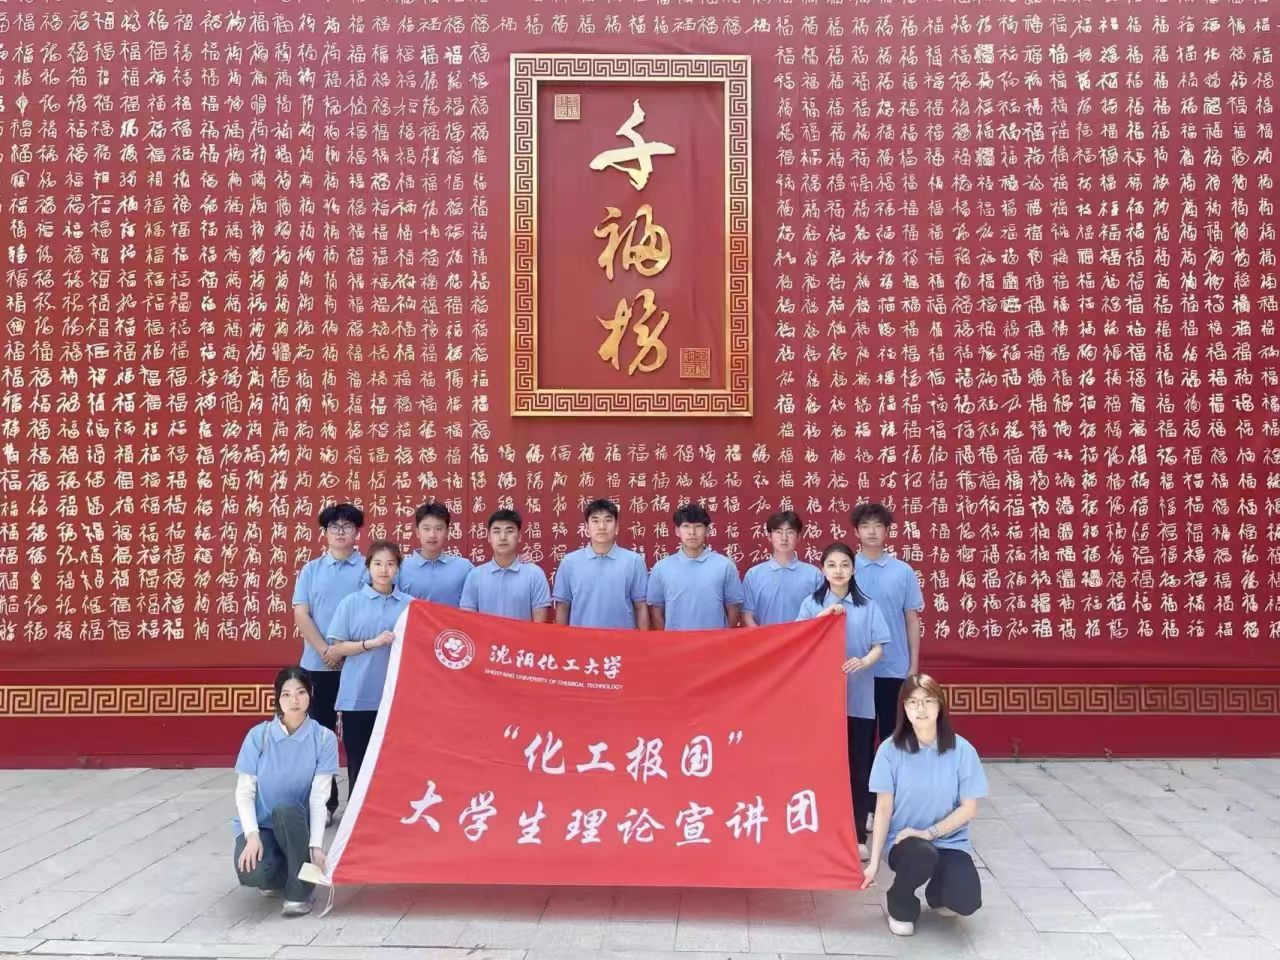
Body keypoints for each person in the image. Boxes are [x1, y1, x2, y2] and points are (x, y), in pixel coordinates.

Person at [863, 674, 988, 936]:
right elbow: (883, 809)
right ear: (904, 707)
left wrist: (929, 833)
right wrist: (873, 864)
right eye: (913, 702)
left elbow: (969, 808)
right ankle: (900, 901)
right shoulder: (889, 750)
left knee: (966, 901)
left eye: (928, 701)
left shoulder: (962, 750)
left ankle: (937, 892)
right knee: (922, 855)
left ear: (940, 705)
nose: (921, 709)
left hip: (949, 841)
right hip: (904, 842)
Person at [795, 542, 890, 859]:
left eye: (845, 564)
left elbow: (879, 646)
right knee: (820, 767)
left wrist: (864, 661)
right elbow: (799, 640)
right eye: (832, 565)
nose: (838, 571)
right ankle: (819, 831)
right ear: (823, 569)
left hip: (859, 698)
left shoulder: (868, 605)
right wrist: (824, 616)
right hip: (820, 701)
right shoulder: (811, 604)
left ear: (853, 569)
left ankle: (857, 835)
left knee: (859, 767)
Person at [233, 666, 339, 918]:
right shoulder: (259, 736)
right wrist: (252, 836)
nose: (294, 701)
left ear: (310, 694)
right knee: (253, 872)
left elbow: (319, 798)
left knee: (286, 809)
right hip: (264, 827)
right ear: (277, 698)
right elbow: (245, 792)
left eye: (301, 692)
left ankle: (301, 890)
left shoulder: (324, 738)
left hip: (296, 825)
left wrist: (315, 846)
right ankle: (287, 871)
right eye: (286, 694)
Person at [291, 502, 366, 820]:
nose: (341, 532)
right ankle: (326, 802)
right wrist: (325, 650)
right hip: (317, 665)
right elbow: (301, 614)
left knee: (358, 737)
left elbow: (369, 613)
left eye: (347, 526)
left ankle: (359, 805)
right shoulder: (311, 570)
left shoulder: (368, 569)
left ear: (357, 532)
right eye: (334, 527)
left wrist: (343, 651)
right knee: (320, 737)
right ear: (324, 532)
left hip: (358, 666)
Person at [325, 541, 412, 796]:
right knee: (359, 762)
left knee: (395, 765)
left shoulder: (411, 605)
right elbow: (337, 648)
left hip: (396, 699)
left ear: (398, 568)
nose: (384, 570)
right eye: (378, 564)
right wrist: (370, 643)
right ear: (368, 567)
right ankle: (356, 815)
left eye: (390, 564)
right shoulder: (351, 603)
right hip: (358, 698)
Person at [850, 503, 925, 743]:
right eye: (865, 526)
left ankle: (890, 770)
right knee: (858, 737)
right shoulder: (845, 569)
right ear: (856, 532)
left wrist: (913, 666)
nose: (872, 531)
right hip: (854, 666)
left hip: (893, 665)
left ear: (888, 531)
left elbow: (911, 619)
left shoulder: (903, 571)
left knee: (891, 736)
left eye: (878, 526)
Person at [553, 498, 650, 629]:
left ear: (616, 527)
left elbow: (641, 606)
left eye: (608, 520)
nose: (602, 526)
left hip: (622, 639)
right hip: (581, 640)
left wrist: (643, 640)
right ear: (586, 527)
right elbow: (563, 607)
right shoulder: (569, 562)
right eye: (595, 521)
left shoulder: (633, 561)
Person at [647, 502, 744, 630]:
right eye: (685, 526)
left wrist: (721, 637)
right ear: (677, 531)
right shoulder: (661, 568)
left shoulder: (724, 566)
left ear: (707, 530)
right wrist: (669, 638)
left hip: (715, 641)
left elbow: (733, 609)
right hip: (676, 641)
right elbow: (656, 612)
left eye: (698, 526)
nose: (692, 532)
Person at [460, 509, 552, 621]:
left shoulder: (535, 574)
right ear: (489, 537)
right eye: (496, 531)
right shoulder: (475, 576)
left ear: (519, 536)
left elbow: (539, 624)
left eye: (509, 531)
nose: (503, 537)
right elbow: (468, 620)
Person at [741, 510, 824, 627]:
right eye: (778, 532)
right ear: (769, 536)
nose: (784, 538)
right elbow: (747, 615)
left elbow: (820, 615)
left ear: (798, 537)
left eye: (790, 532)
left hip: (804, 638)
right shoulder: (753, 575)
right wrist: (762, 636)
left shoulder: (814, 575)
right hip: (766, 638)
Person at [397, 501, 474, 606]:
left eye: (438, 529)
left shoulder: (464, 567)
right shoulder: (401, 568)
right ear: (417, 532)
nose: (432, 535)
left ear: (447, 532)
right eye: (426, 529)